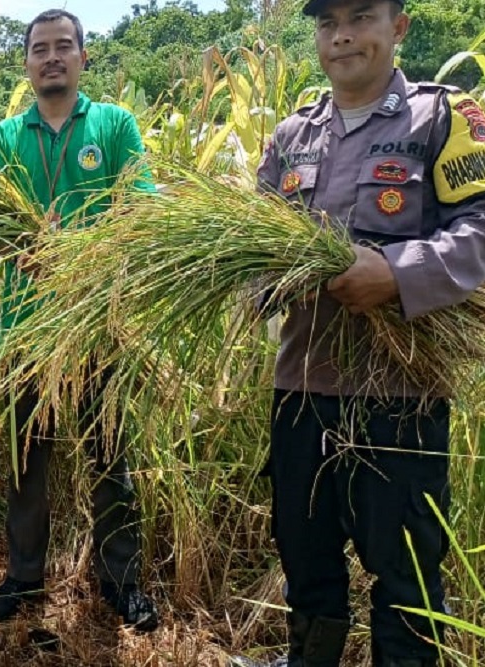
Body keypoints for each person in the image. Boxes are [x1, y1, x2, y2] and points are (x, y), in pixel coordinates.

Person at [250, 1, 485, 665]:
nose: (343, 35)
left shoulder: (445, 119)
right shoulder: (291, 136)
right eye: (328, 23)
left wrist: (396, 273)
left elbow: (479, 232)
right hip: (302, 390)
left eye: (361, 16)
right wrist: (262, 283)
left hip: (401, 398)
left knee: (406, 572)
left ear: (399, 26)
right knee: (306, 560)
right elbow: (250, 249)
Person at [0, 9, 159, 631]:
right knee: (27, 462)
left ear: (84, 57)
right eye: (39, 49)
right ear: (25, 63)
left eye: (64, 47)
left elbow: (141, 208)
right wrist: (24, 247)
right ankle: (24, 578)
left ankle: (120, 582)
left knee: (112, 461)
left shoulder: (113, 125)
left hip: (97, 328)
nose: (51, 57)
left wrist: (79, 255)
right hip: (24, 331)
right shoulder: (3, 138)